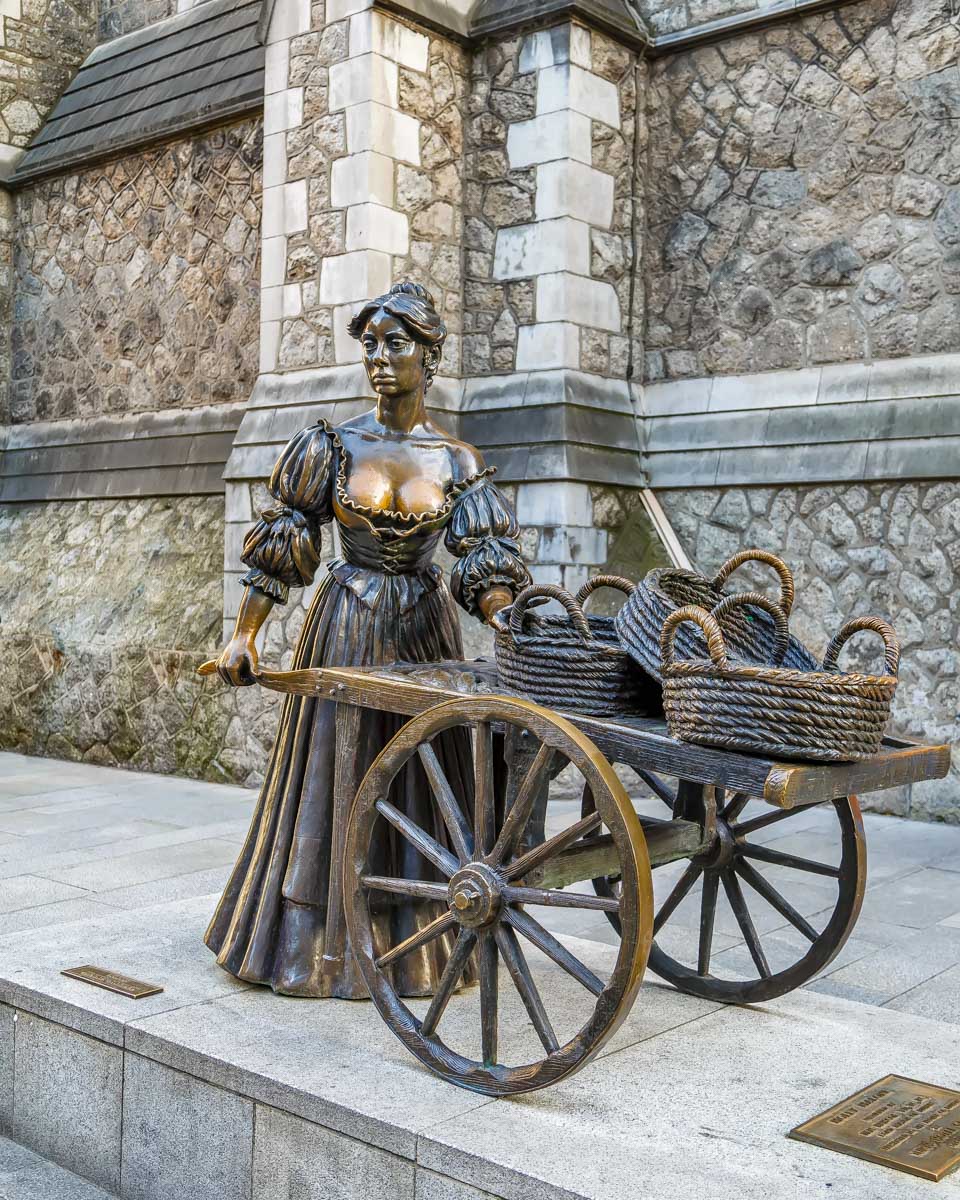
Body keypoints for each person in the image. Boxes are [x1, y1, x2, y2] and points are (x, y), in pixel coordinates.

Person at [205, 281, 530, 997]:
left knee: (420, 779)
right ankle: (317, 948)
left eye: (398, 344)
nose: (381, 359)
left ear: (430, 357)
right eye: (371, 345)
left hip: (422, 629)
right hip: (346, 623)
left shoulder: (457, 462)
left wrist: (506, 620)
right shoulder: (330, 446)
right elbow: (283, 542)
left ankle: (416, 948)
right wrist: (244, 637)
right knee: (334, 777)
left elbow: (483, 565)